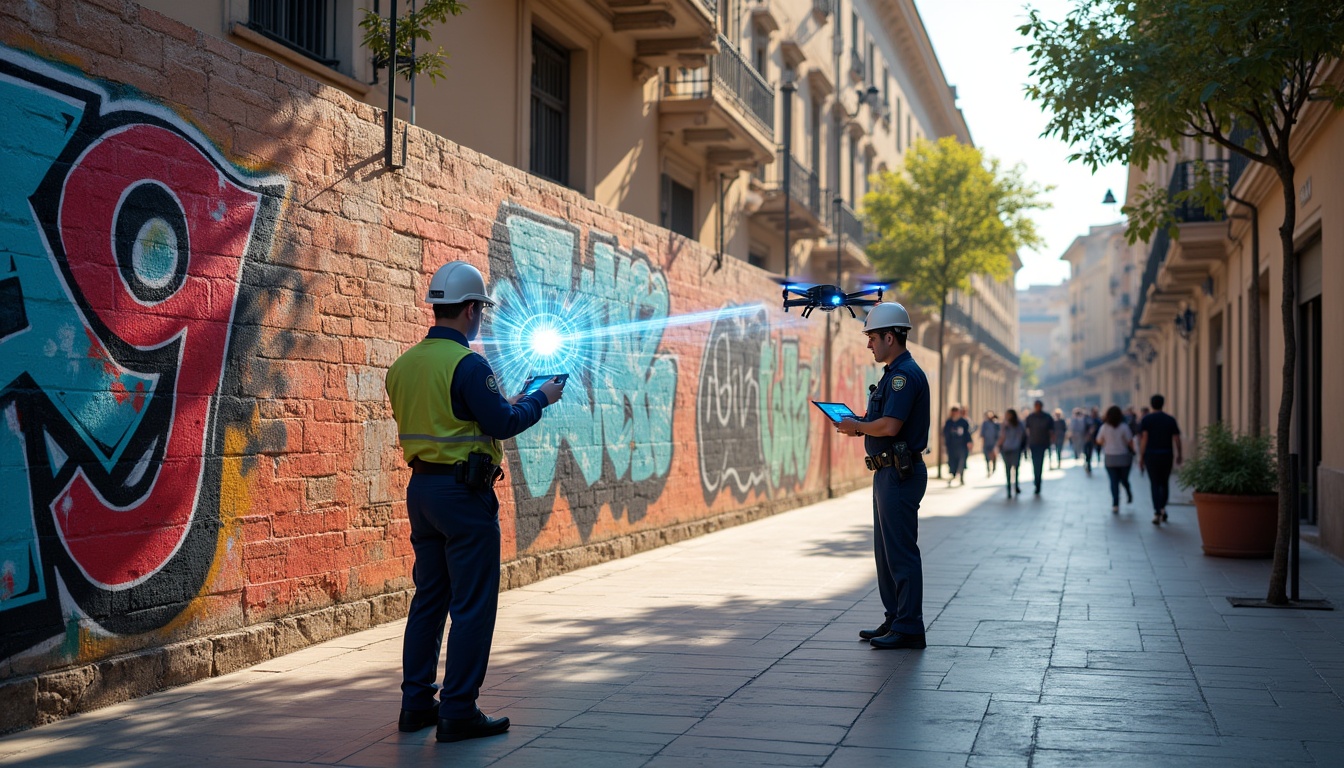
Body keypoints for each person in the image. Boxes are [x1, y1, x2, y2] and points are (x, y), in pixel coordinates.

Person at [385, 261, 566, 743]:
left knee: (429, 601)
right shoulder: (468, 365)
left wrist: (503, 402)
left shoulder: (403, 366)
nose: (480, 317)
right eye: (480, 310)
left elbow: (456, 416)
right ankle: (459, 710)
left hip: (421, 492)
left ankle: (416, 703)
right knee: (472, 605)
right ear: (470, 310)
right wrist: (541, 398)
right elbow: (502, 423)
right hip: (463, 497)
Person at [835, 303, 929, 651]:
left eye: (872, 337)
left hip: (900, 473)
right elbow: (882, 419)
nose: (869, 344)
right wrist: (859, 422)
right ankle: (895, 618)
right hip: (887, 472)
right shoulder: (893, 374)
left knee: (901, 552)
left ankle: (909, 627)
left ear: (891, 336)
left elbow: (890, 425)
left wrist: (857, 427)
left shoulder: (904, 376)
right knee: (886, 552)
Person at [1138, 394, 1183, 525]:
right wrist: (1179, 454)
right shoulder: (1170, 419)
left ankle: (1157, 511)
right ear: (1163, 404)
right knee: (1164, 482)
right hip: (1166, 454)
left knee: (1154, 483)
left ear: (1152, 404)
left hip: (1151, 455)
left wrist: (1141, 457)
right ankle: (1162, 507)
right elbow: (1177, 438)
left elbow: (1144, 439)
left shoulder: (1147, 420)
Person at [1095, 405, 1135, 514]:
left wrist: (1106, 443)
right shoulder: (1124, 427)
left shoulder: (1104, 427)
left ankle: (1115, 503)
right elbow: (1130, 441)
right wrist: (1134, 452)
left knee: (1114, 481)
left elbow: (1098, 440)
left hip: (1110, 457)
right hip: (1123, 457)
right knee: (1124, 479)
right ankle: (1128, 492)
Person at [1024, 400, 1055, 495]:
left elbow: (1052, 431)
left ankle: (1038, 481)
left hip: (1043, 444)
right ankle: (1036, 479)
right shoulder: (1030, 417)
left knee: (1040, 463)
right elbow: (1026, 431)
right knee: (1035, 463)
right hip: (1033, 444)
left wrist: (1051, 442)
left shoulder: (1047, 417)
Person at [996, 409, 1025, 498]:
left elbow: (1022, 435)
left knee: (1015, 469)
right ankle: (1009, 488)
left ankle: (1015, 486)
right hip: (1007, 449)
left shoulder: (1018, 424)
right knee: (1008, 469)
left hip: (1015, 449)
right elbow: (1002, 436)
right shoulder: (1005, 425)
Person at [942, 406, 972, 487]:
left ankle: (961, 477)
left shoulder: (964, 422)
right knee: (952, 461)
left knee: (962, 461)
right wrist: (945, 445)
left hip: (962, 445)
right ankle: (954, 475)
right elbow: (945, 433)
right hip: (951, 446)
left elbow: (967, 433)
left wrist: (969, 442)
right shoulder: (949, 422)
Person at [980, 411, 1000, 476]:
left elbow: (999, 434)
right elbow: (982, 434)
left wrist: (998, 444)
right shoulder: (985, 424)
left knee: (994, 456)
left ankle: (994, 467)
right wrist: (982, 443)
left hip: (994, 443)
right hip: (987, 443)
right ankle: (988, 469)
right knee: (987, 457)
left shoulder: (996, 423)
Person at [1082, 406, 1101, 475]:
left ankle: (1088, 465)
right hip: (1085, 438)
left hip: (1093, 439)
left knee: (1089, 452)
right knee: (1086, 452)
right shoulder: (1087, 419)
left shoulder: (1098, 420)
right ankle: (1087, 462)